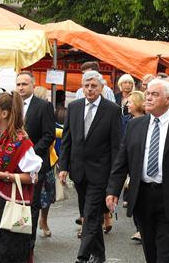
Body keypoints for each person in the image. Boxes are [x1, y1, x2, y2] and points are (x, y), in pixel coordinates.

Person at [106, 78, 169, 263]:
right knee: (150, 249)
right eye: (147, 94)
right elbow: (122, 161)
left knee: (166, 250)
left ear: (168, 99)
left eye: (155, 94)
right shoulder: (135, 125)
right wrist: (113, 190)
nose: (149, 98)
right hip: (143, 196)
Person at [59, 70, 121, 263]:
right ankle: (100, 254)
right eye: (86, 86)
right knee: (90, 214)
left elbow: (116, 145)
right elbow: (67, 138)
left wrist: (115, 176)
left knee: (91, 215)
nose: (90, 89)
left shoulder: (112, 110)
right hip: (78, 171)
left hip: (100, 172)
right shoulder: (75, 107)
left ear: (102, 87)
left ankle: (82, 256)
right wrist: (63, 166)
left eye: (94, 86)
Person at [0, 92, 42, 263]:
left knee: (8, 253)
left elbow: (33, 177)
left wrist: (3, 176)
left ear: (4, 114)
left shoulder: (21, 142)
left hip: (11, 205)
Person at [16, 71, 55, 261]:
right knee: (15, 203)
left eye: (24, 84)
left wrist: (29, 153)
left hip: (35, 163)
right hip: (14, 164)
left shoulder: (44, 106)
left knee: (32, 205)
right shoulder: (12, 104)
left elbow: (49, 135)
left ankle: (28, 247)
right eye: (18, 84)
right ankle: (16, 242)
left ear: (32, 85)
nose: (21, 87)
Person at [120, 90, 146, 242]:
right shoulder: (126, 120)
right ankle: (140, 229)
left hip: (142, 167)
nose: (127, 105)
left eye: (130, 102)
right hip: (129, 165)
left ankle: (141, 230)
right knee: (133, 199)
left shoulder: (148, 120)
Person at [33, 86, 56, 237]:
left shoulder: (46, 108)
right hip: (39, 159)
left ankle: (43, 221)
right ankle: (42, 221)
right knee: (41, 196)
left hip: (46, 159)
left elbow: (50, 134)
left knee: (46, 193)